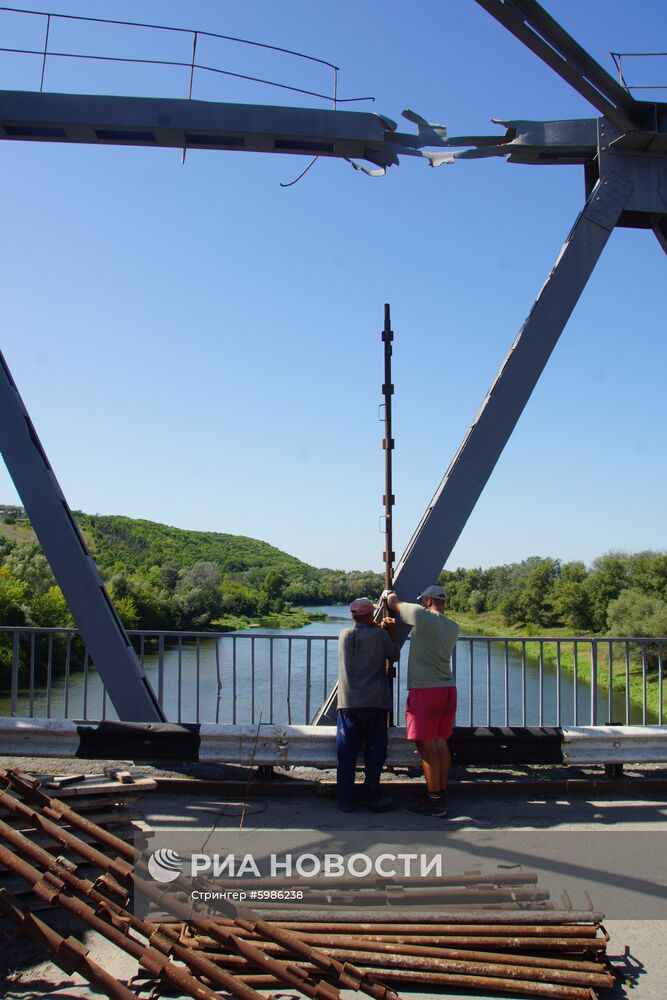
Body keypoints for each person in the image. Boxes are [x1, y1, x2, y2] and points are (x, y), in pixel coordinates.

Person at [384, 584, 459, 816]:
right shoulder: (453, 627)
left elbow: (393, 603)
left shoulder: (420, 615)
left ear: (427, 601)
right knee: (440, 744)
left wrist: (388, 594)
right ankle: (442, 793)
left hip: (426, 690)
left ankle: (434, 801)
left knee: (427, 747)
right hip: (448, 689)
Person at [336, 596, 400, 812]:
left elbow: (362, 635)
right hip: (375, 702)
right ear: (370, 614)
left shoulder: (343, 635)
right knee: (375, 749)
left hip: (348, 702)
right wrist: (390, 633)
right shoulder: (380, 635)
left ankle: (345, 798)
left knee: (346, 751)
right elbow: (394, 655)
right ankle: (370, 794)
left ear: (353, 615)